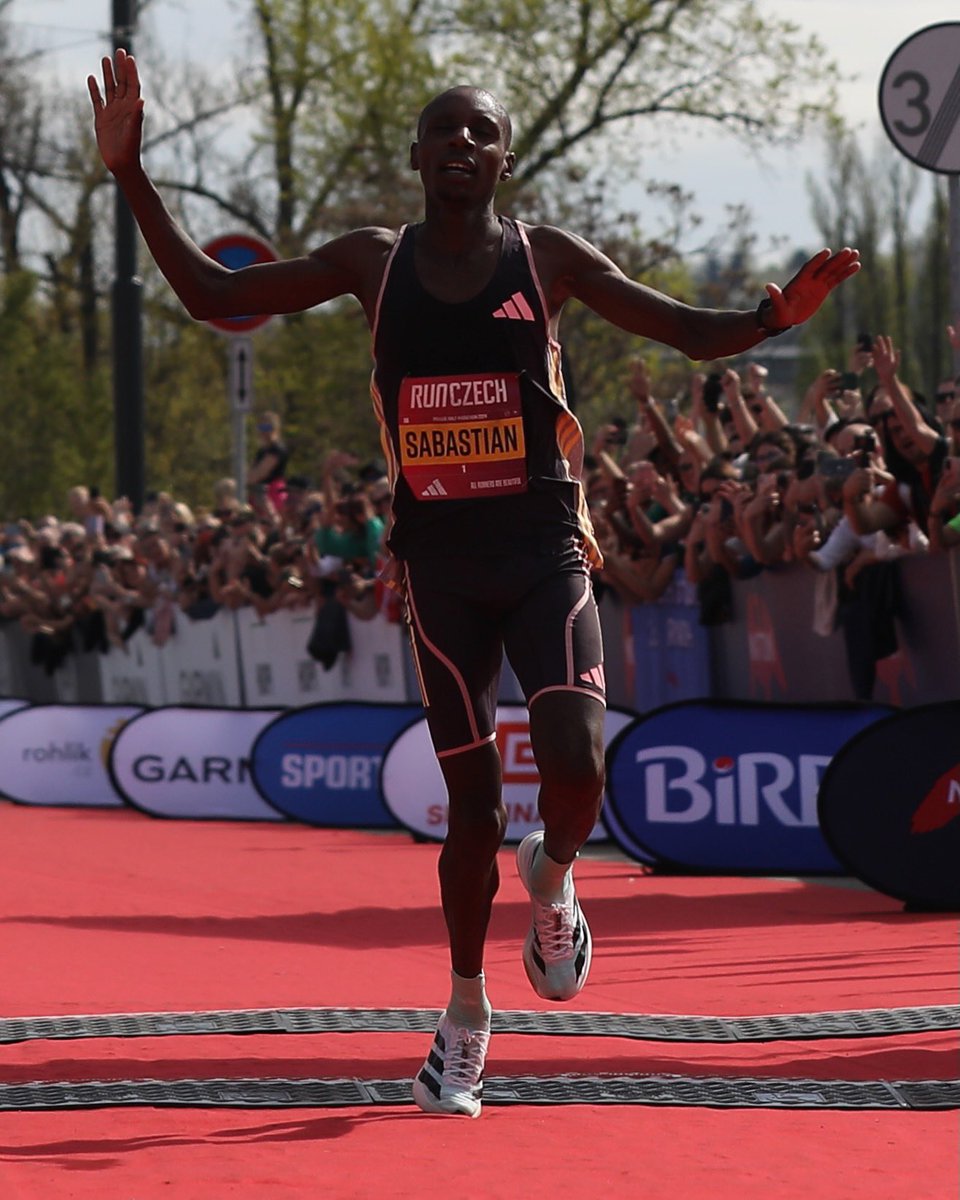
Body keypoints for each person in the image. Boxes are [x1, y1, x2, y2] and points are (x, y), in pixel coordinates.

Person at [89, 51, 860, 1119]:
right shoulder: (373, 260)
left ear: (503, 158)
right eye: (444, 131)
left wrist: (772, 322)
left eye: (481, 133)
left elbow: (685, 330)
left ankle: (555, 877)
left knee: (579, 765)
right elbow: (213, 294)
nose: (462, 144)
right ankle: (465, 1016)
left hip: (544, 549)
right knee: (468, 816)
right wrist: (130, 173)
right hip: (440, 569)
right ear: (414, 157)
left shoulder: (546, 258)